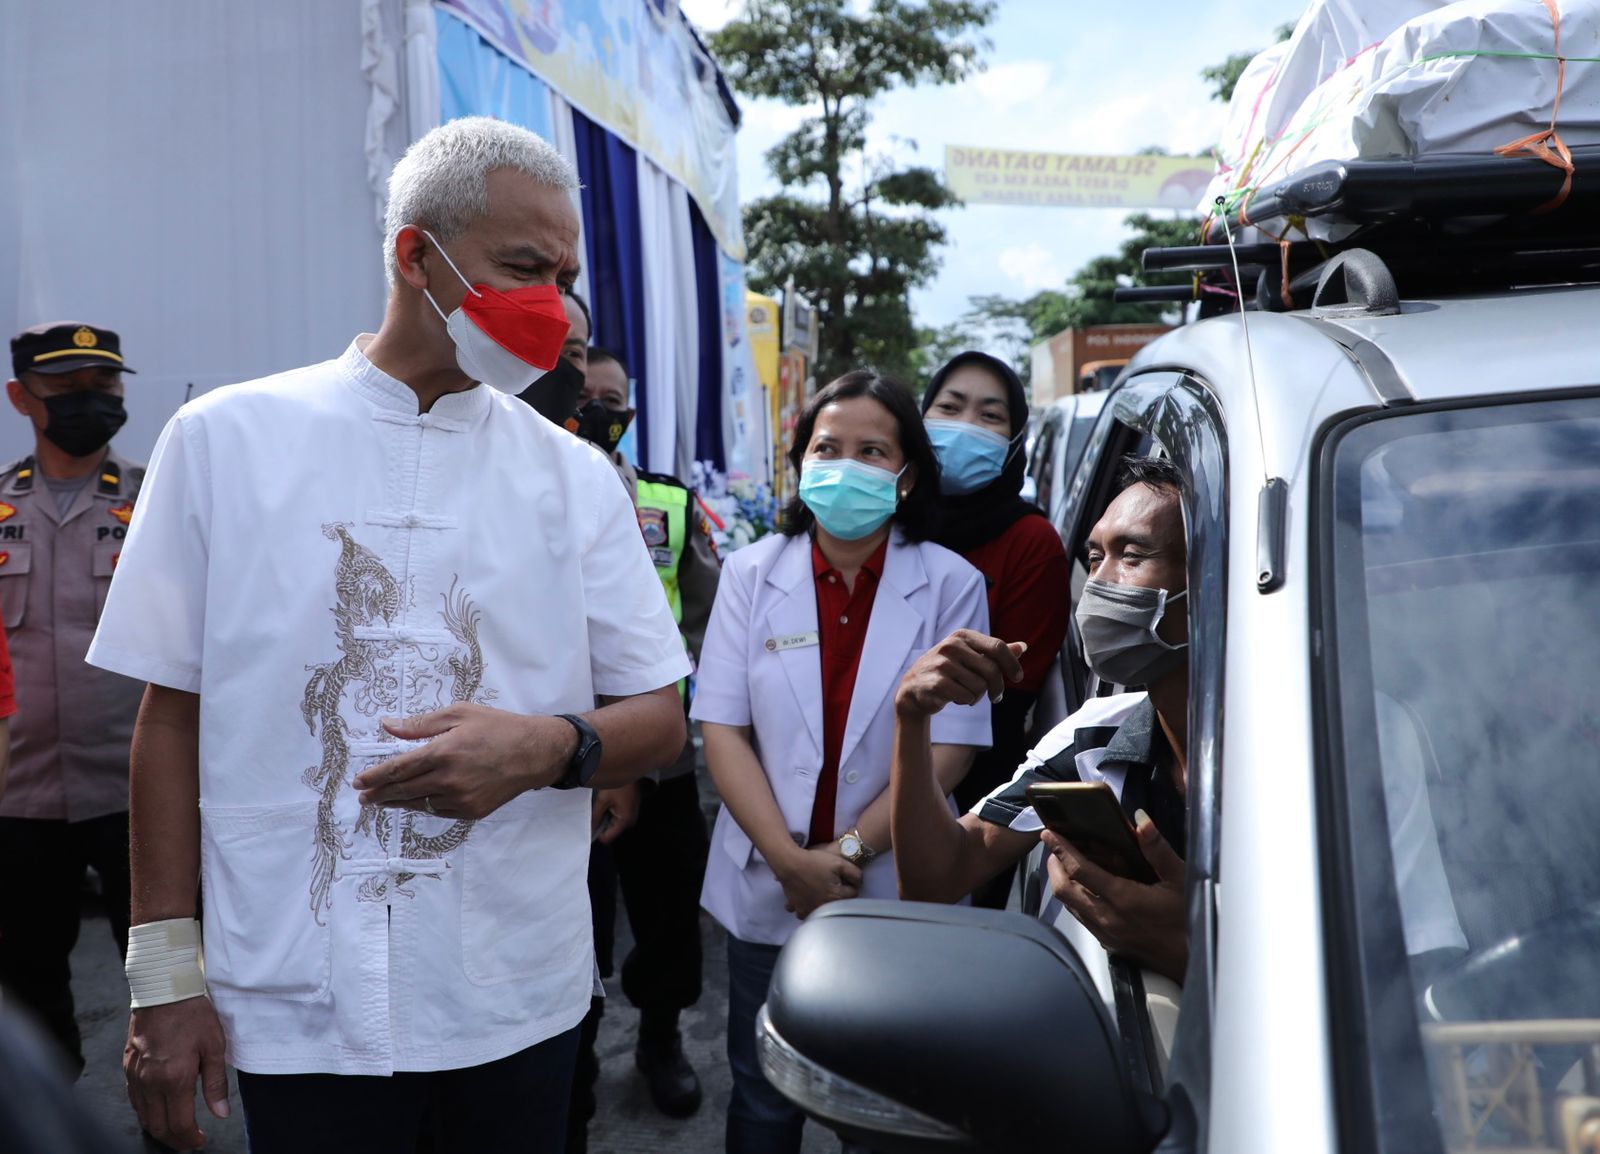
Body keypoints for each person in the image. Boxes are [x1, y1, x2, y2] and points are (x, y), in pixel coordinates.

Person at [84, 116, 691, 1154]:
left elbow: (660, 719)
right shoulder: (226, 442)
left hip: (512, 1003)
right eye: (521, 266)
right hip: (293, 999)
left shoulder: (575, 477)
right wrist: (164, 980)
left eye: (563, 273)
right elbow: (169, 719)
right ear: (417, 254)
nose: (551, 303)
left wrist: (550, 746)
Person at [891, 455, 1464, 984]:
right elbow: (938, 877)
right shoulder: (1092, 738)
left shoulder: (1352, 736)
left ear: (1217, 582)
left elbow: (1418, 966)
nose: (1099, 584)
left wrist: (1201, 954)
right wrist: (911, 719)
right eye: (1094, 559)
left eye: (1133, 556)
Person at [693, 370, 992, 1153]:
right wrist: (789, 861)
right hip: (769, 883)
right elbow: (721, 731)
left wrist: (844, 854)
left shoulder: (950, 583)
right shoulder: (751, 574)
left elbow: (952, 747)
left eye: (872, 450)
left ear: (907, 475)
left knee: (885, 1110)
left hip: (892, 882)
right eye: (829, 447)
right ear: (801, 461)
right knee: (760, 1099)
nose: (846, 465)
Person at [0, 322, 144, 1074]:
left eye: (106, 387)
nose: (91, 402)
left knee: (166, 977)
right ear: (23, 397)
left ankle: (174, 1119)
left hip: (138, 791)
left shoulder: (153, 502)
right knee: (27, 987)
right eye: (68, 389)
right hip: (19, 798)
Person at [920, 351, 1070, 908]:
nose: (964, 426)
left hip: (972, 788)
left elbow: (1008, 692)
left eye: (989, 416)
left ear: (1014, 439)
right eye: (950, 408)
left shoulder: (1030, 540)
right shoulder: (884, 518)